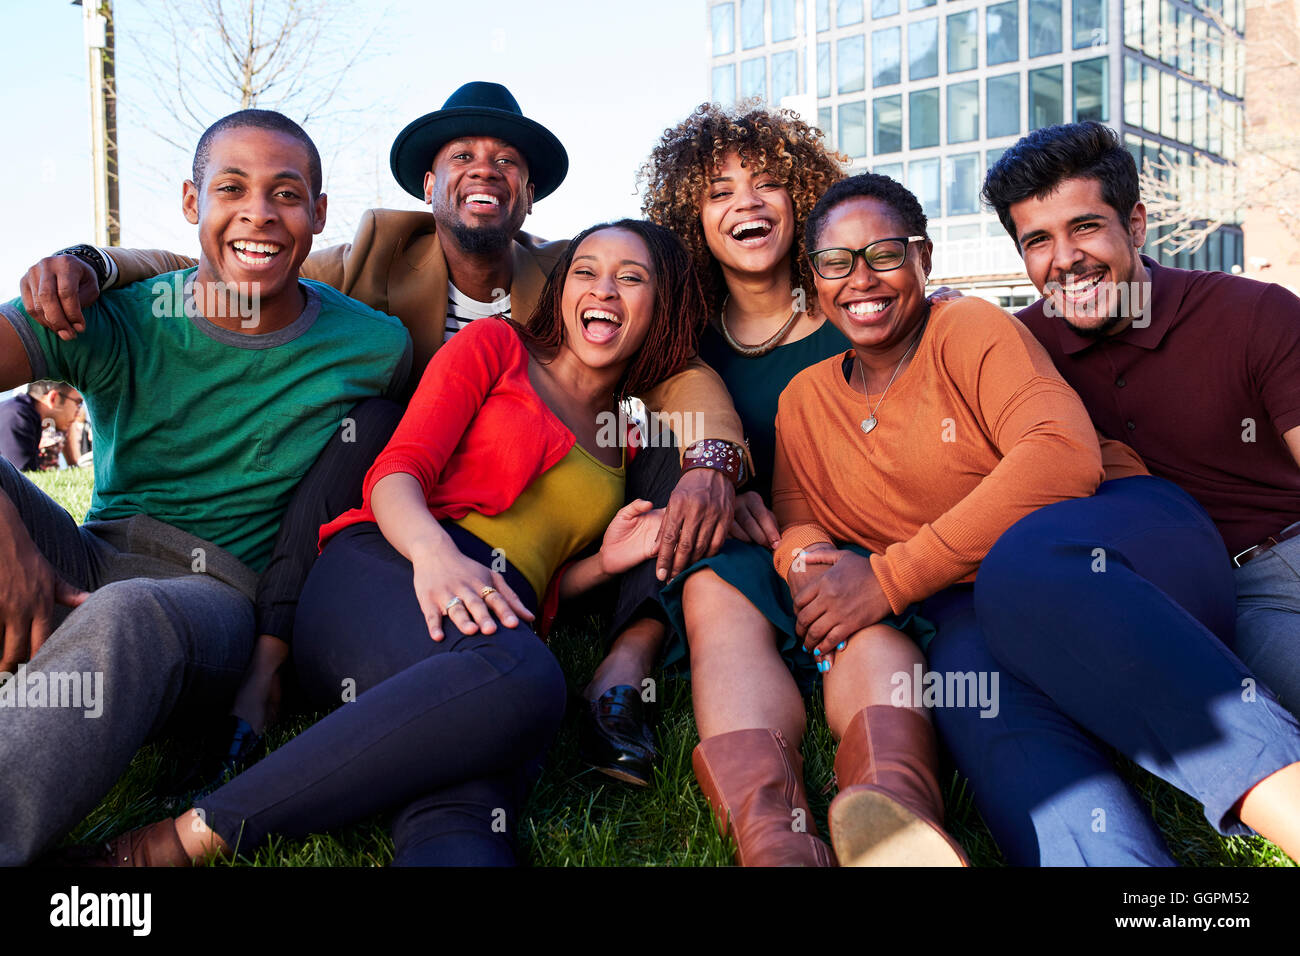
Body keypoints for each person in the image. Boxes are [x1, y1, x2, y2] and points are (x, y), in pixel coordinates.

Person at [19, 82, 749, 766]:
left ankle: (628, 659)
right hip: (390, 492)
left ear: (529, 196)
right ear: (428, 188)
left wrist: (714, 459)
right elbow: (227, 255)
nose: (483, 170)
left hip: (501, 493)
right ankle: (270, 660)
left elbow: (674, 367)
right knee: (368, 424)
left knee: (658, 443)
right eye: (461, 156)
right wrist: (95, 261)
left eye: (506, 162)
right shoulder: (374, 252)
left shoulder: (574, 274)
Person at [74, 220, 706, 868]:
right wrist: (435, 556)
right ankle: (175, 842)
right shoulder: (498, 346)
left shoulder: (627, 436)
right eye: (586, 270)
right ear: (562, 289)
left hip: (485, 618)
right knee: (526, 679)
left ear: (663, 302)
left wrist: (605, 561)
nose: (604, 289)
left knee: (468, 800)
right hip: (385, 569)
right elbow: (395, 471)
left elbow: (541, 579)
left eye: (632, 277)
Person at [771, 172, 1300, 866]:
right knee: (977, 694)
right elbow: (797, 512)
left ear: (925, 259)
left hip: (1117, 540)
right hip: (976, 604)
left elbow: (1059, 457)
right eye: (836, 262)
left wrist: (887, 579)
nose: (860, 279)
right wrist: (811, 569)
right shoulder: (803, 400)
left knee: (1022, 569)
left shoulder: (967, 326)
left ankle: (1283, 798)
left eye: (885, 254)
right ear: (815, 277)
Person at [0, 109, 412, 865]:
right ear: (194, 205)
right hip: (89, 558)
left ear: (318, 215)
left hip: (215, 597)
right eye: (232, 188)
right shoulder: (111, 315)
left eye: (287, 193)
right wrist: (8, 539)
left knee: (128, 614)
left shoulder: (374, 345)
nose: (259, 211)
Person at [981, 121, 1300, 716]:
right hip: (1185, 591)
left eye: (1085, 227)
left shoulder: (1254, 313)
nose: (1066, 260)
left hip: (1280, 556)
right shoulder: (1016, 348)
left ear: (1134, 224)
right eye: (1038, 241)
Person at [632, 102, 849, 859]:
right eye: (719, 190)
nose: (746, 203)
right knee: (709, 584)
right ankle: (777, 837)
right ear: (694, 217)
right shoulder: (682, 340)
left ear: (805, 198)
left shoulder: (856, 306)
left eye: (766, 184)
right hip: (744, 546)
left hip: (858, 541)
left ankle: (885, 803)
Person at [0, 380, 84, 471]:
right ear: (53, 398)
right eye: (78, 403)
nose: (78, 413)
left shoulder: (25, 413)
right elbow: (23, 473)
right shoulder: (17, 416)